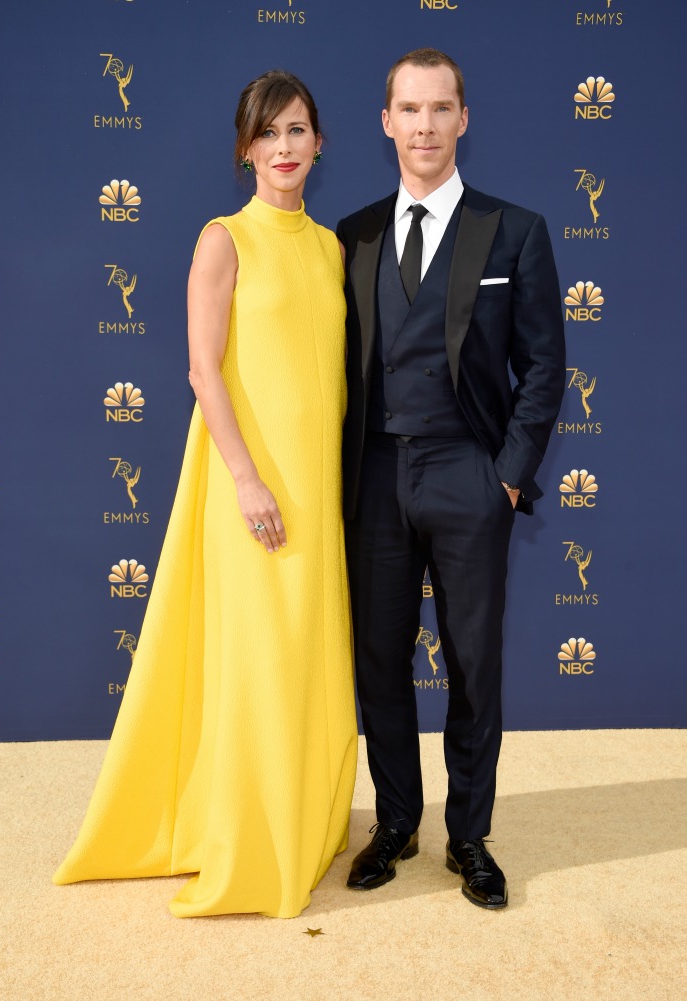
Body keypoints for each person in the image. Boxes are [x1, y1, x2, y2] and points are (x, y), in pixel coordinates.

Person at [54, 70, 357, 919]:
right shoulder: (223, 239)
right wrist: (248, 478)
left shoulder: (330, 248)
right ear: (246, 149)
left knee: (304, 653)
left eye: (298, 130)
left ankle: (303, 816)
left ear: (320, 142)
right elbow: (201, 369)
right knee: (258, 658)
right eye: (269, 134)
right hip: (248, 484)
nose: (286, 147)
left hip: (316, 480)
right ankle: (245, 837)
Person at [337, 49, 565, 908]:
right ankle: (396, 820)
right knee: (380, 661)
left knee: (474, 665)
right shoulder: (350, 235)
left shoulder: (516, 230)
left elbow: (544, 365)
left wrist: (507, 477)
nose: (425, 125)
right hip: (375, 478)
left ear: (463, 119)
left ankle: (470, 834)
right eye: (409, 109)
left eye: (441, 109)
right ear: (386, 121)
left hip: (471, 472)